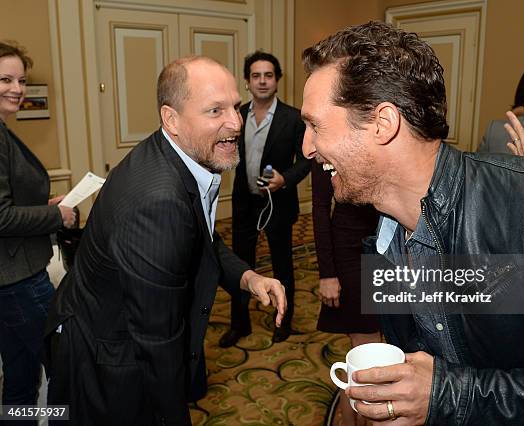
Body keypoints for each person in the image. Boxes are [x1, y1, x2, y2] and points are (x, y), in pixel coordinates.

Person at [301, 21, 524, 424]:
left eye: (315, 125)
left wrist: (452, 396)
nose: (307, 147)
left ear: (382, 123)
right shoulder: (382, 229)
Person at [44, 56, 286, 426]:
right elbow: (157, 340)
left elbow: (203, 238)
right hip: (109, 359)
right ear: (171, 119)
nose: (235, 123)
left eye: (235, 108)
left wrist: (247, 277)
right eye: (214, 110)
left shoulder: (175, 154)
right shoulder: (159, 202)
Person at [0, 41, 75, 425]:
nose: (17, 88)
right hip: (20, 281)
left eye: (21, 80)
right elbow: (1, 217)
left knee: (19, 378)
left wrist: (45, 206)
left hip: (10, 281)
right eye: (6, 79)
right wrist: (55, 217)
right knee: (64, 370)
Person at [219, 51, 309, 347]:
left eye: (268, 75)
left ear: (277, 80)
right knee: (240, 266)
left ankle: (283, 320)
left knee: (283, 265)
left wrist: (285, 179)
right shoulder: (237, 115)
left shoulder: (293, 118)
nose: (262, 81)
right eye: (255, 76)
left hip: (278, 204)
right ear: (247, 81)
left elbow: (307, 160)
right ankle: (239, 324)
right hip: (246, 203)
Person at [311, 160, 381, 425]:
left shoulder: (379, 136)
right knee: (366, 357)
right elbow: (320, 209)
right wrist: (327, 273)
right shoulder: (323, 148)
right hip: (349, 255)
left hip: (387, 248)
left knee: (380, 351)